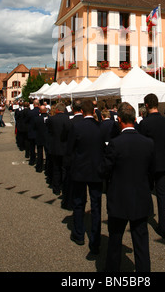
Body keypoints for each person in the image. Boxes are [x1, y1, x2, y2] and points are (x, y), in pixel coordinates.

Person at [100, 102, 155, 272]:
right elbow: (151, 171)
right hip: (140, 196)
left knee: (115, 241)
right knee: (141, 243)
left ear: (120, 120)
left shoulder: (115, 143)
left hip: (119, 197)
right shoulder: (148, 143)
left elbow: (105, 170)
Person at [67, 99, 104, 254]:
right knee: (96, 206)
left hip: (80, 170)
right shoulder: (100, 127)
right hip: (96, 171)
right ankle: (95, 241)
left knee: (79, 202)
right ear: (94, 111)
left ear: (81, 111)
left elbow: (70, 149)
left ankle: (79, 234)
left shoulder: (76, 126)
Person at [139, 93, 165, 239]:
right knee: (162, 195)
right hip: (163, 162)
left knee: (146, 191)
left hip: (149, 162)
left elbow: (140, 144)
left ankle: (145, 217)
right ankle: (163, 227)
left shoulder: (144, 123)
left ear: (146, 105)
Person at [46, 102, 72, 195]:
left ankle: (56, 188)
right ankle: (64, 187)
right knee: (64, 169)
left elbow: (49, 131)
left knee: (56, 168)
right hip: (64, 147)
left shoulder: (51, 119)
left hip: (55, 147)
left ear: (57, 110)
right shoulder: (68, 119)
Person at [33, 104, 49, 173]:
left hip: (39, 137)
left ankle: (39, 167)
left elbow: (34, 128)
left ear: (40, 111)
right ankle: (47, 168)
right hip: (47, 138)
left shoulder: (36, 119)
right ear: (46, 110)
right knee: (47, 153)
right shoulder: (50, 118)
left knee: (40, 153)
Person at [27, 99, 40, 166]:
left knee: (32, 147)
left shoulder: (30, 112)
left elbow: (27, 121)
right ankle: (39, 161)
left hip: (31, 131)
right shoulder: (40, 112)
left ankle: (32, 160)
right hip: (39, 132)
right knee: (39, 148)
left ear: (34, 104)